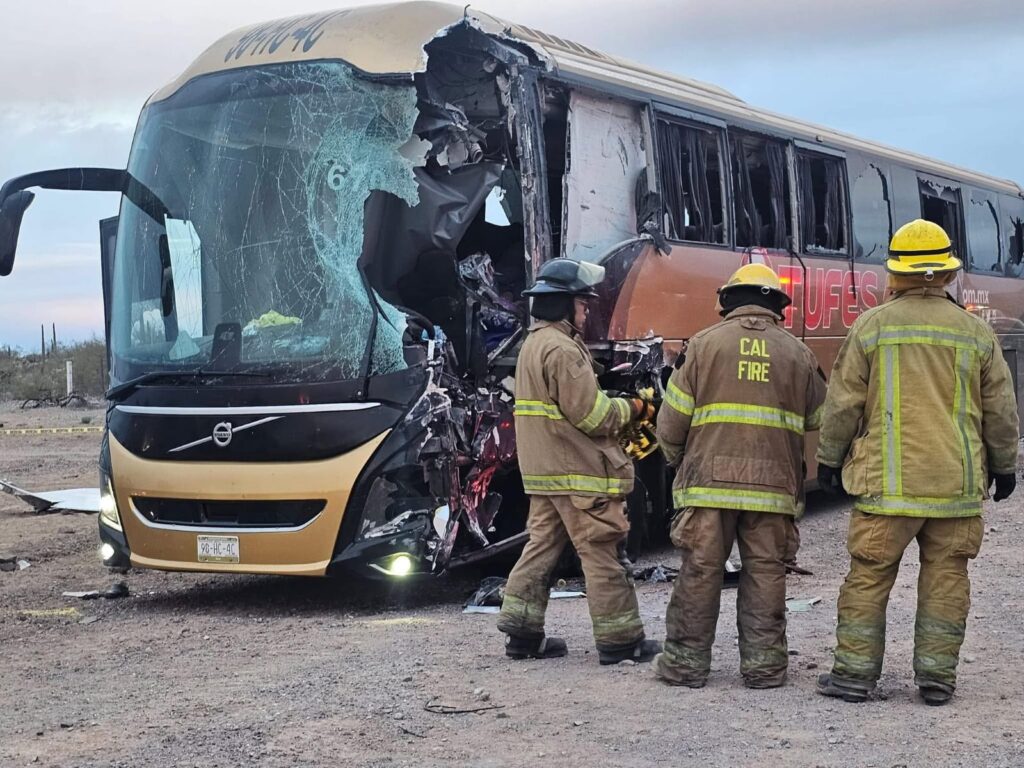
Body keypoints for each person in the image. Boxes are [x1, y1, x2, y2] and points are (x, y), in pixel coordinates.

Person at [816, 219, 1019, 706]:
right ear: (948, 273)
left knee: (868, 577)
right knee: (947, 580)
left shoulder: (872, 326)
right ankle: (936, 678)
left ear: (895, 273)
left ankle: (853, 676)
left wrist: (828, 459)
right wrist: (1005, 465)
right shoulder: (976, 332)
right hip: (955, 486)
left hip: (886, 490)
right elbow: (1001, 410)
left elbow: (843, 403)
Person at [653, 263, 826, 689]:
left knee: (699, 572)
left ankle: (684, 665)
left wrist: (682, 462)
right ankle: (765, 669)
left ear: (728, 300)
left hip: (708, 485)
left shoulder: (702, 347)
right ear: (776, 305)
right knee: (766, 573)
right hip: (773, 488)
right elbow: (821, 418)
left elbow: (670, 426)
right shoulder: (799, 354)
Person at [497, 258, 661, 665]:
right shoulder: (562, 349)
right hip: (578, 474)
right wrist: (635, 406)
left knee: (540, 549)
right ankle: (621, 641)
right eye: (583, 305)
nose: (586, 312)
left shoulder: (533, 345)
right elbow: (593, 416)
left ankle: (522, 633)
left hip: (545, 475)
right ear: (564, 305)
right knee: (602, 551)